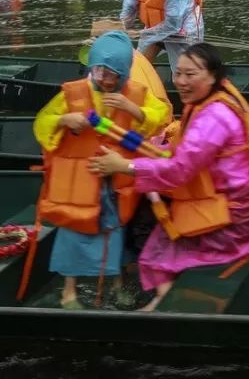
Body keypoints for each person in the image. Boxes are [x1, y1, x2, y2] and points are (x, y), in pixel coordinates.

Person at [89, 43, 249, 312]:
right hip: (231, 199)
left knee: (154, 233)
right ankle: (161, 294)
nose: (182, 82)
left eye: (191, 75)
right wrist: (143, 152)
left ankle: (164, 300)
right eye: (178, 74)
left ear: (213, 76)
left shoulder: (215, 116)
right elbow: (181, 152)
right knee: (151, 208)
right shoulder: (210, 101)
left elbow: (179, 170)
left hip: (234, 216)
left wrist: (126, 166)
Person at [33, 31, 171, 309]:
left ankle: (117, 285)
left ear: (124, 73)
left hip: (114, 181)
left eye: (113, 75)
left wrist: (134, 109)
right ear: (91, 67)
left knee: (114, 230)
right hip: (79, 181)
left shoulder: (135, 93)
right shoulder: (71, 93)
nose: (106, 80)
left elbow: (161, 116)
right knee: (72, 229)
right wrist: (63, 120)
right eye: (100, 72)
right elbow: (42, 123)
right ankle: (68, 292)